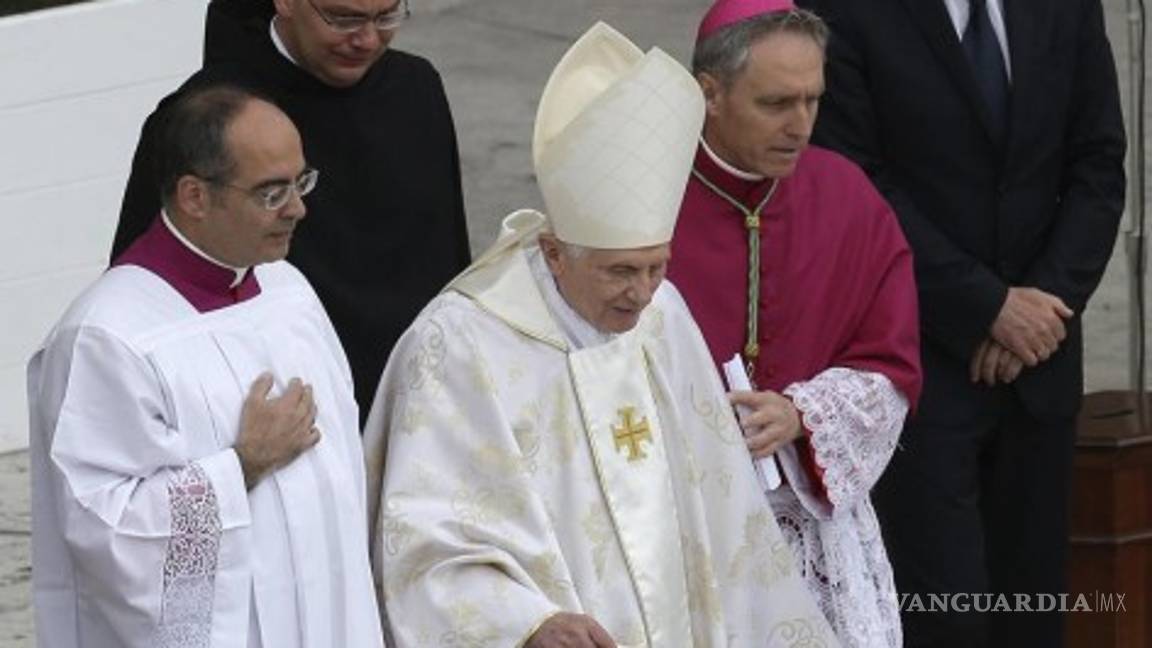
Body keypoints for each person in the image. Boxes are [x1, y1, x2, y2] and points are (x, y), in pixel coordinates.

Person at [363, 22, 839, 647]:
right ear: (554, 252)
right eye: (619, 272)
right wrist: (525, 623)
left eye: (656, 267)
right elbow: (425, 540)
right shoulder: (460, 343)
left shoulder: (664, 315)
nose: (641, 294)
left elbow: (722, 510)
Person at [794, 0, 1127, 644]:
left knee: (1032, 608)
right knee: (943, 612)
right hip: (918, 363)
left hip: (1040, 361)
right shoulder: (846, 12)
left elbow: (1097, 164)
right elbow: (859, 182)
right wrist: (986, 308)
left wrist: (1042, 304)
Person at [30, 85, 383, 648]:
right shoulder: (108, 337)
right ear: (194, 196)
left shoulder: (288, 290)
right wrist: (241, 466)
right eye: (272, 193)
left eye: (301, 182)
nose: (297, 208)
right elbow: (105, 531)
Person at [665, 1, 923, 646]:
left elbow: (891, 364)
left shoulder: (848, 197)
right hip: (681, 515)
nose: (801, 125)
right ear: (709, 94)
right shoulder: (648, 197)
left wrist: (802, 413)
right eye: (776, 103)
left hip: (809, 519)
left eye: (813, 100)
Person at [112, 0, 470, 422]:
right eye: (344, 18)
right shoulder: (202, 119)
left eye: (387, 16)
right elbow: (144, 289)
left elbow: (446, 252)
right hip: (279, 407)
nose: (368, 40)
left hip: (417, 398)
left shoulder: (415, 88)